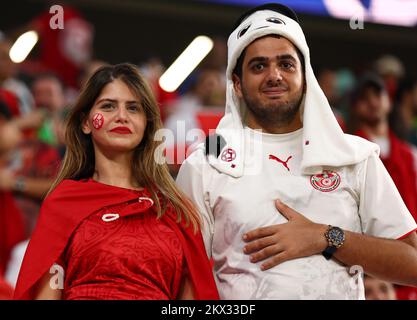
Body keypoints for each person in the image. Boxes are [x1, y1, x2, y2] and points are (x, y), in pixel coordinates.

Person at [176, 3, 417, 299]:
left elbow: (412, 264)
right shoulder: (205, 164)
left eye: (286, 64)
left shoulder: (355, 156)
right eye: (258, 65)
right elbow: (182, 276)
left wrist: (326, 237)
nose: (274, 75)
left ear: (305, 78)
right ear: (236, 84)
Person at [14, 63, 219, 300]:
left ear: (146, 124)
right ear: (86, 122)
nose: (122, 116)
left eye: (133, 108)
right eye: (108, 106)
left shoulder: (175, 209)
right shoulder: (63, 201)